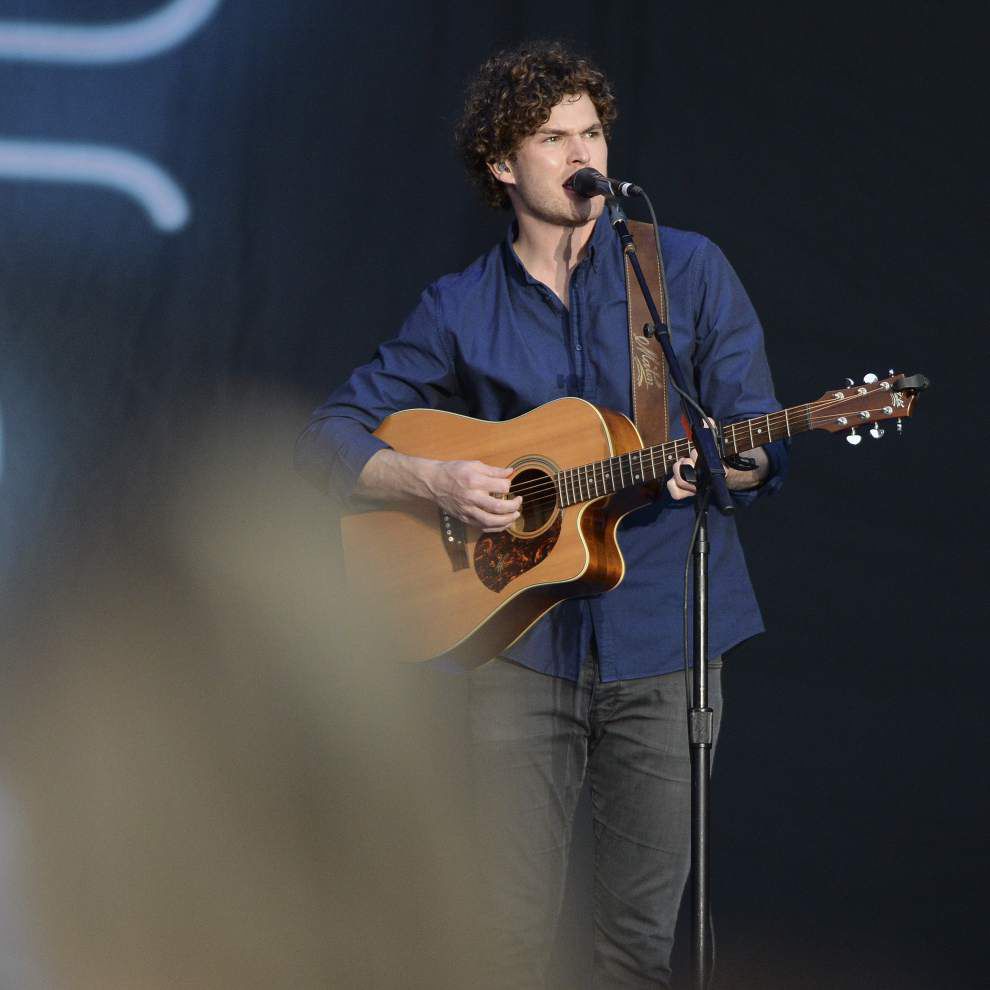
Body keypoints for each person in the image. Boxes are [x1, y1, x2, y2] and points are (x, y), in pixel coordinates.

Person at [296, 40, 787, 990]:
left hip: (663, 646)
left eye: (592, 130)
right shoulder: (458, 308)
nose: (580, 153)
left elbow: (764, 443)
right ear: (500, 162)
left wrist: (738, 462)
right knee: (506, 945)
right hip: (515, 652)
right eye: (552, 135)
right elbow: (329, 435)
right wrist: (436, 484)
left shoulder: (680, 272)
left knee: (637, 949)